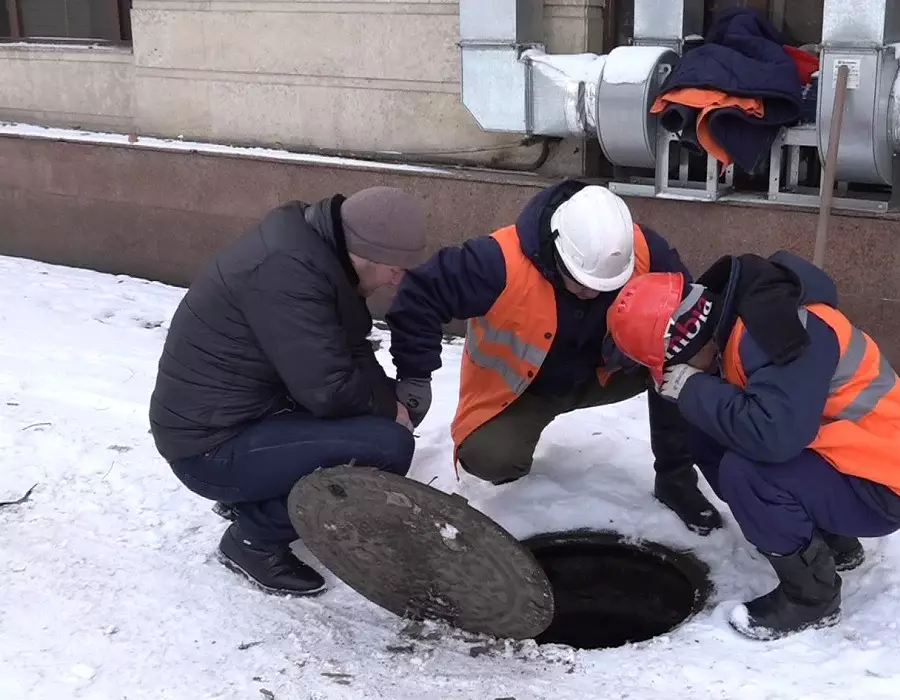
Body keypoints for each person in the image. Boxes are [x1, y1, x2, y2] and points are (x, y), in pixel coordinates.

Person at [606, 250, 900, 639]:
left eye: (669, 366)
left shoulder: (778, 331)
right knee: (709, 429)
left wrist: (694, 388)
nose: (668, 377)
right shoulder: (735, 324)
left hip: (889, 484)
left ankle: (811, 598)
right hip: (855, 462)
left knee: (747, 472)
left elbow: (775, 438)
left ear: (685, 342)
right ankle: (831, 544)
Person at [385, 180, 723, 533]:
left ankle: (675, 478)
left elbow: (690, 321)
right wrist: (415, 375)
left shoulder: (642, 252)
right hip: (525, 390)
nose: (592, 293)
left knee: (680, 356)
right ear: (556, 250)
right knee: (488, 458)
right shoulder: (495, 262)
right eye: (581, 282)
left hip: (610, 374)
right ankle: (513, 451)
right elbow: (420, 295)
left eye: (605, 287)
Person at [149, 187, 427, 597]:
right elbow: (329, 388)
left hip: (248, 417)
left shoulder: (318, 254)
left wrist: (390, 400)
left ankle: (255, 498)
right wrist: (389, 416)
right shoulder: (286, 273)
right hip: (208, 448)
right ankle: (253, 540)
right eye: (395, 268)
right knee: (387, 447)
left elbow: (346, 348)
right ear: (364, 254)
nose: (398, 279)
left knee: (380, 425)